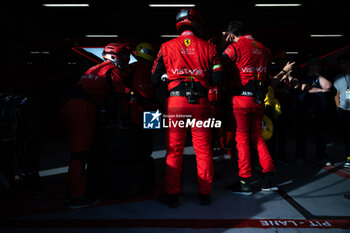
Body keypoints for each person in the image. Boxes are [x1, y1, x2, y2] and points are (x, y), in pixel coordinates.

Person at [151, 8, 223, 207]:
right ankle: (205, 195)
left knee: (174, 150)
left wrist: (172, 77)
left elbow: (154, 78)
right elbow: (218, 78)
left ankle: (172, 195)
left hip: (175, 103)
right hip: (201, 102)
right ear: (198, 23)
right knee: (204, 150)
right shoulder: (210, 47)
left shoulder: (166, 46)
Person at [60, 43, 131, 209]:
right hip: (82, 107)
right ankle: (76, 197)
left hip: (68, 104)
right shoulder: (112, 70)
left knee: (79, 152)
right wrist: (127, 120)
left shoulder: (94, 68)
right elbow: (120, 97)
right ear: (117, 56)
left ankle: (75, 189)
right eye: (125, 56)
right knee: (80, 154)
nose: (126, 59)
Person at [222, 21, 277, 195]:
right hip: (259, 99)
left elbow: (217, 66)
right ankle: (268, 177)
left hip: (240, 99)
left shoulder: (234, 47)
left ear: (231, 35)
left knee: (242, 139)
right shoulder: (265, 49)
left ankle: (245, 181)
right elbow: (268, 78)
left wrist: (224, 45)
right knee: (258, 138)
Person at [296, 58, 332, 165]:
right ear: (309, 65)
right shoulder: (302, 78)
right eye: (313, 64)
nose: (316, 66)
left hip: (320, 110)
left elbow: (328, 86)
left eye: (318, 64)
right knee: (302, 134)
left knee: (321, 134)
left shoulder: (322, 78)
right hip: (305, 109)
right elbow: (306, 88)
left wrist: (318, 75)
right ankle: (300, 156)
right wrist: (321, 90)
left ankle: (321, 156)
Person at [334, 53, 350, 168]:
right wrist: (338, 107)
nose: (341, 65)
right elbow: (336, 94)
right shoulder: (338, 77)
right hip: (344, 110)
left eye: (343, 63)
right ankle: (348, 157)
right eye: (340, 63)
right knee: (347, 135)